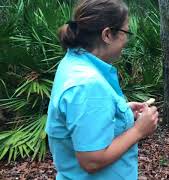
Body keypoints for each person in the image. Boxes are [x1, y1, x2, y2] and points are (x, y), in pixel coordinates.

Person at [45, 0, 159, 179]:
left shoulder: (74, 62)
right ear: (107, 35)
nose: (127, 39)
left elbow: (80, 122)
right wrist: (139, 130)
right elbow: (92, 161)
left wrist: (122, 112)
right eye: (125, 32)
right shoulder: (87, 84)